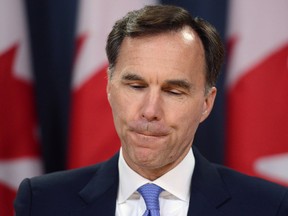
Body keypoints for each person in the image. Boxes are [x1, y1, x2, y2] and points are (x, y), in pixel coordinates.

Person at [14, 5, 288, 216]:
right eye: (135, 86)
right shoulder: (42, 202)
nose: (150, 111)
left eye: (173, 91)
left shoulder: (268, 206)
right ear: (110, 89)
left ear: (206, 103)